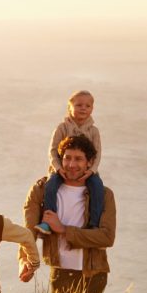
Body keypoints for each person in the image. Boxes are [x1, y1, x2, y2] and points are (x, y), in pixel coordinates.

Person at [24, 135, 116, 293]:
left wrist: (64, 229)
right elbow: (28, 231)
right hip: (60, 271)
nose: (72, 164)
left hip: (93, 272)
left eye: (78, 159)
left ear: (89, 163)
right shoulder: (44, 190)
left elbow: (107, 237)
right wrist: (25, 260)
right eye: (67, 158)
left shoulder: (104, 194)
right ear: (60, 159)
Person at [35, 90, 105, 235]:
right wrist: (58, 167)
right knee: (51, 185)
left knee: (97, 187)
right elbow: (52, 151)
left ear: (92, 109)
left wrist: (91, 170)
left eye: (88, 106)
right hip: (62, 169)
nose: (83, 108)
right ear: (69, 108)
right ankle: (48, 221)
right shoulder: (62, 128)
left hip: (87, 170)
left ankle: (94, 225)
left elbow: (97, 154)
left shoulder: (94, 131)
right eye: (79, 105)